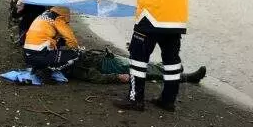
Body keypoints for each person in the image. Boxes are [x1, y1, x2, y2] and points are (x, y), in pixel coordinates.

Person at [66, 48, 206, 85]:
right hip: (112, 67)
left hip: (110, 59)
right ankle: (186, 77)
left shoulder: (67, 58)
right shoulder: (74, 68)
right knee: (147, 72)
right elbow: (95, 77)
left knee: (145, 65)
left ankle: (170, 68)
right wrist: (117, 77)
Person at [23, 6, 82, 72]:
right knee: (75, 54)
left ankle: (37, 67)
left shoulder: (44, 15)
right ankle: (48, 69)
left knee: (58, 41)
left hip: (27, 54)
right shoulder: (59, 18)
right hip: (41, 54)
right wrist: (76, 48)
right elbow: (70, 39)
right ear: (65, 15)